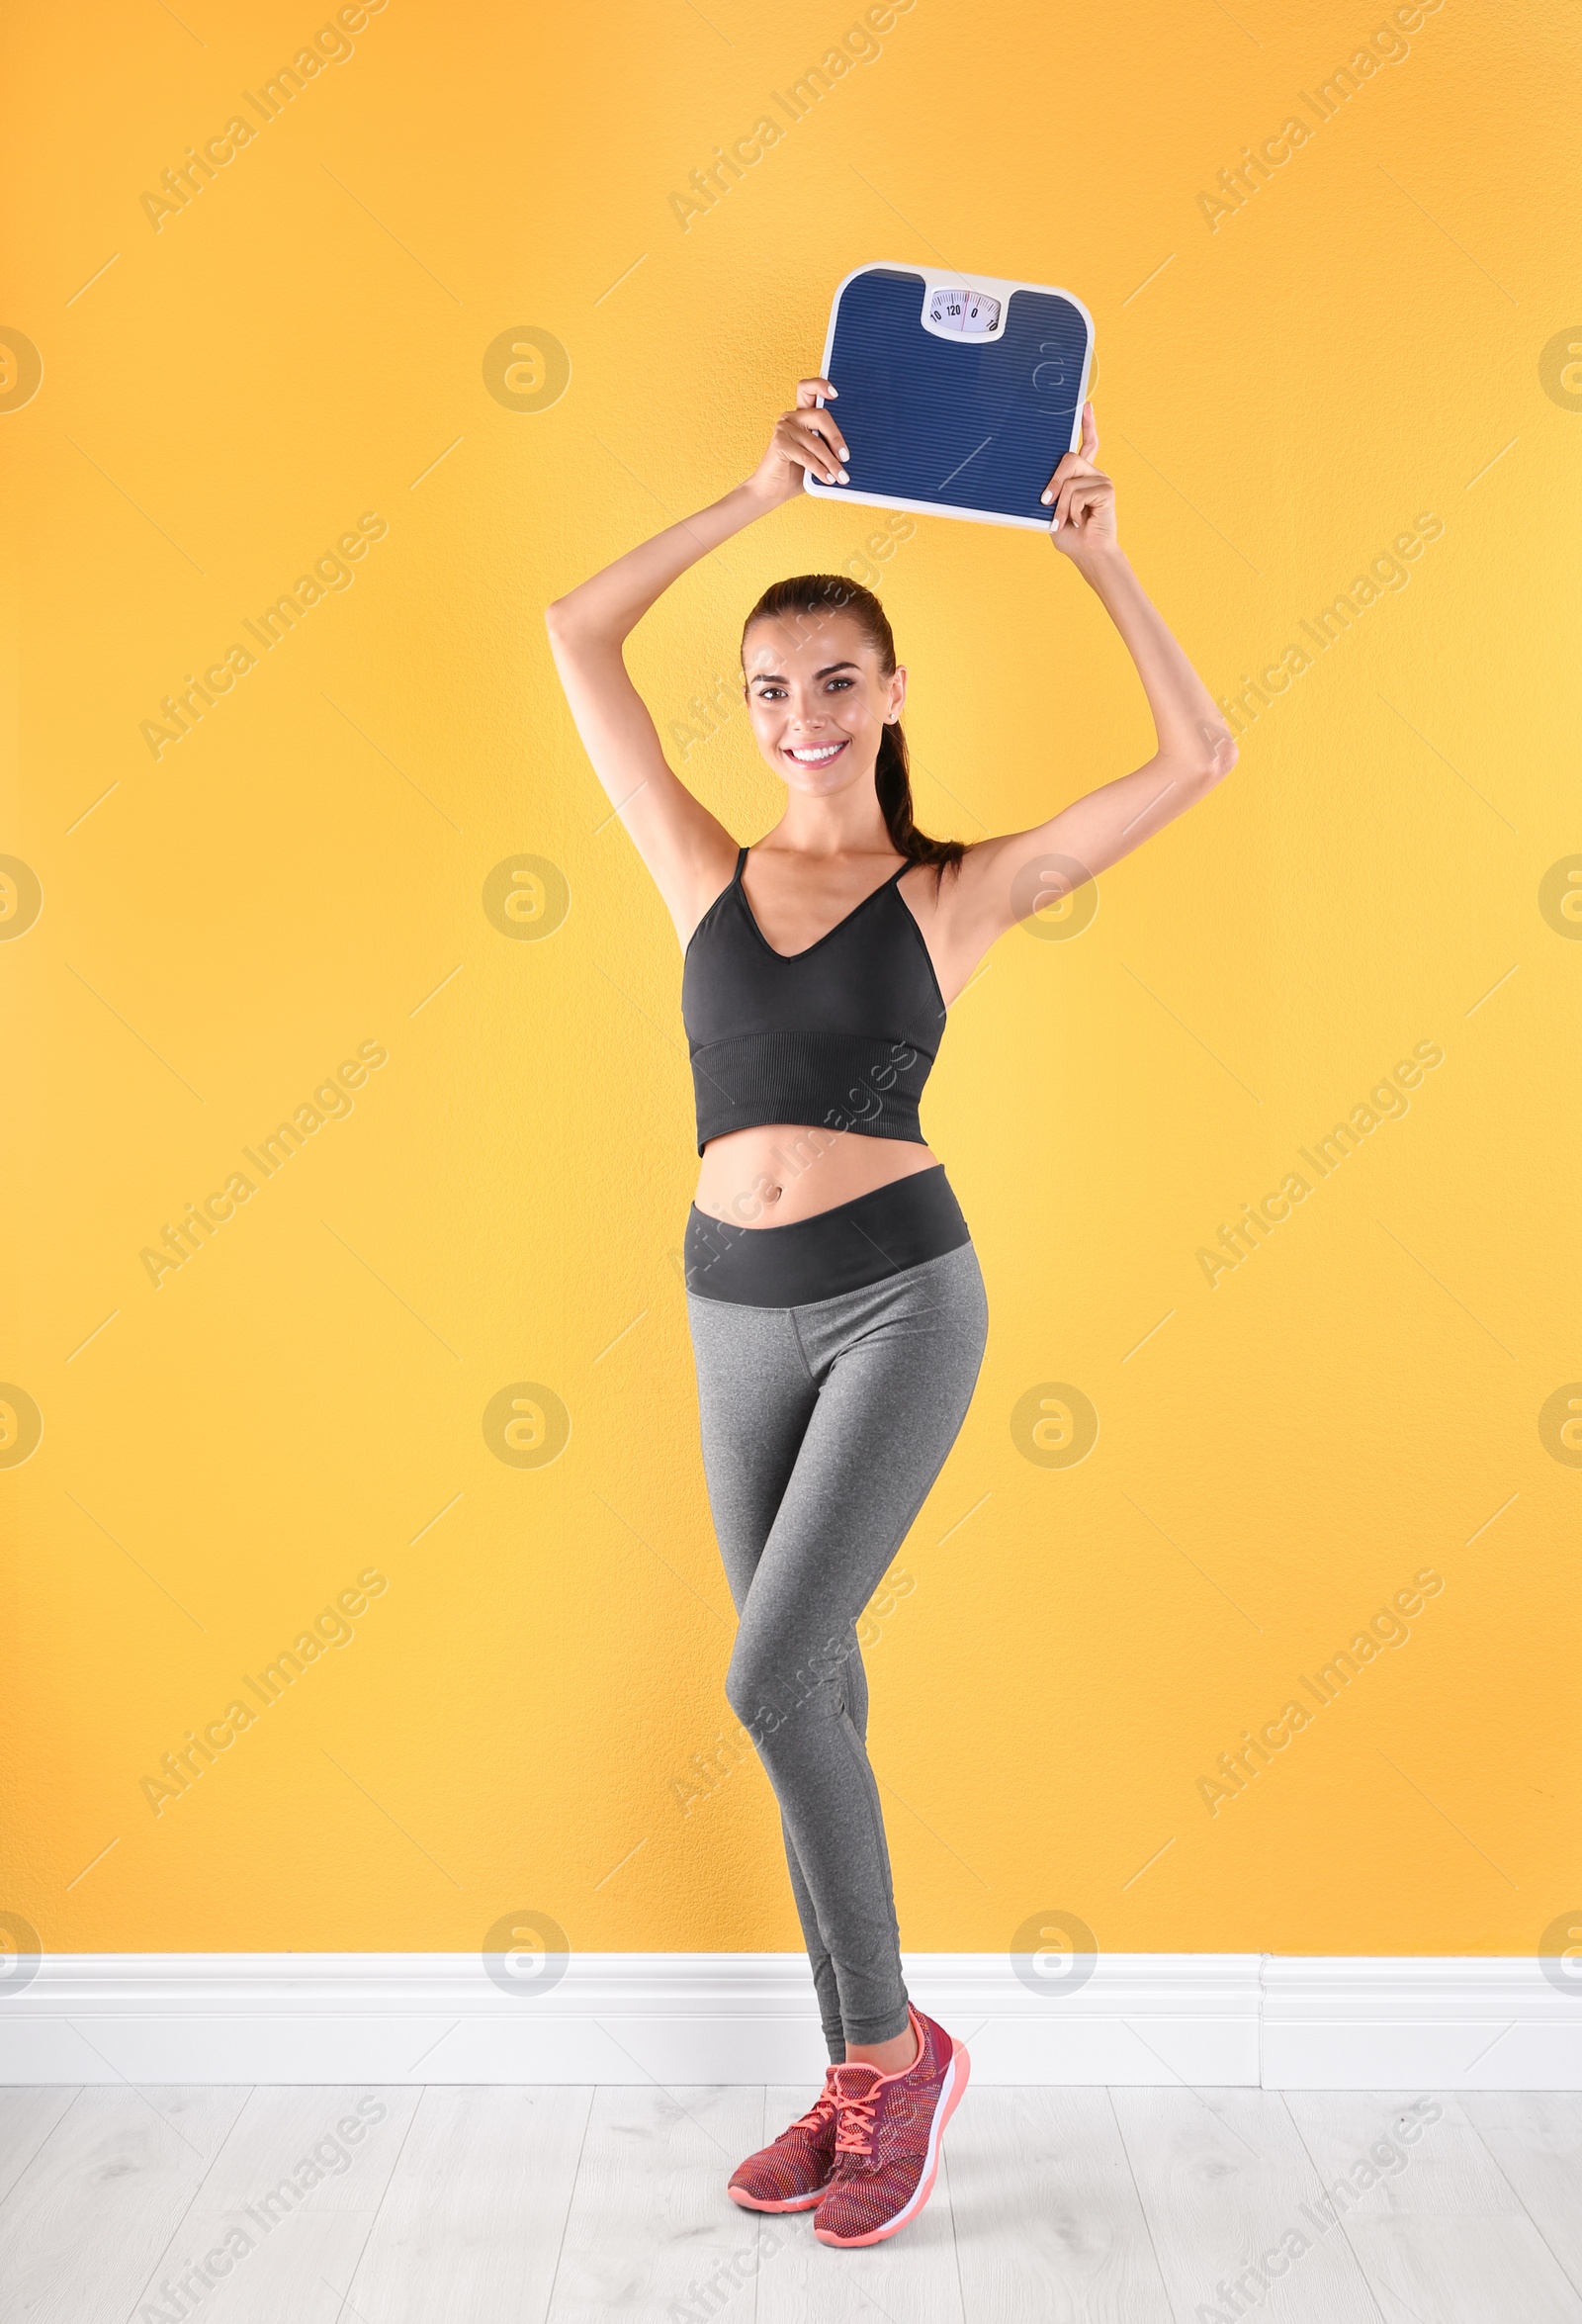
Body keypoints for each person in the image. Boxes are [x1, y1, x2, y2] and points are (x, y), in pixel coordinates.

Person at [545, 377, 1236, 2248]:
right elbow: (574, 630)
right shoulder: (700, 864)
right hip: (728, 1309)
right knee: (812, 1691)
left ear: (894, 693)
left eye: (837, 680)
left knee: (769, 1674)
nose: (800, 716)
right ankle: (864, 2061)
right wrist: (753, 493)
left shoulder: (954, 891)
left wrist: (1104, 563)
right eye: (771, 688)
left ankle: (888, 2054)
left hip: (899, 1305)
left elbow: (1198, 760)